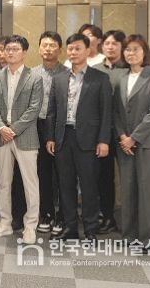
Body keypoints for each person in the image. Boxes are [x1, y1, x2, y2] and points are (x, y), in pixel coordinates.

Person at [46, 33, 112, 241]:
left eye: (77, 48)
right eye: (70, 49)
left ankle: (91, 229)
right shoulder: (59, 78)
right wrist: (50, 137)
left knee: (89, 186)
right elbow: (52, 111)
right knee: (65, 186)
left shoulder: (100, 78)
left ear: (88, 50)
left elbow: (106, 113)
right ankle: (70, 228)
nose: (73, 52)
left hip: (89, 140)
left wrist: (103, 140)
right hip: (63, 137)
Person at [114, 34, 150, 251]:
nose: (131, 53)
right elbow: (117, 112)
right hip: (125, 144)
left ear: (144, 52)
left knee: (149, 191)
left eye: (136, 49)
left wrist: (133, 137)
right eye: (127, 49)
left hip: (148, 142)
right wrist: (122, 137)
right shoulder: (121, 78)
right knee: (128, 191)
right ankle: (130, 236)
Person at [0, 35, 42, 245]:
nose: (10, 52)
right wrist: (2, 128)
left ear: (24, 52)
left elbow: (34, 108)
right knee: (3, 183)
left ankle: (30, 226)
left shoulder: (34, 77)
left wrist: (13, 129)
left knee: (30, 184)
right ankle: (5, 222)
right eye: (7, 49)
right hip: (2, 137)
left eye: (15, 49)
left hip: (25, 136)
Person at [31, 31, 67, 235]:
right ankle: (46, 213)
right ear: (39, 49)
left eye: (52, 45)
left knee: (63, 173)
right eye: (44, 45)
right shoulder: (32, 73)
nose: (48, 49)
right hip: (37, 126)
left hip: (61, 127)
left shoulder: (67, 73)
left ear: (60, 50)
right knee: (42, 172)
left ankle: (62, 215)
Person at [94, 29, 127, 235]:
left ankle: (131, 219)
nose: (110, 47)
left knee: (128, 177)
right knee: (104, 178)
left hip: (125, 133)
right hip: (102, 133)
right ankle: (108, 217)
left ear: (122, 47)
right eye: (107, 43)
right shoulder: (95, 70)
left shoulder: (129, 70)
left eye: (115, 43)